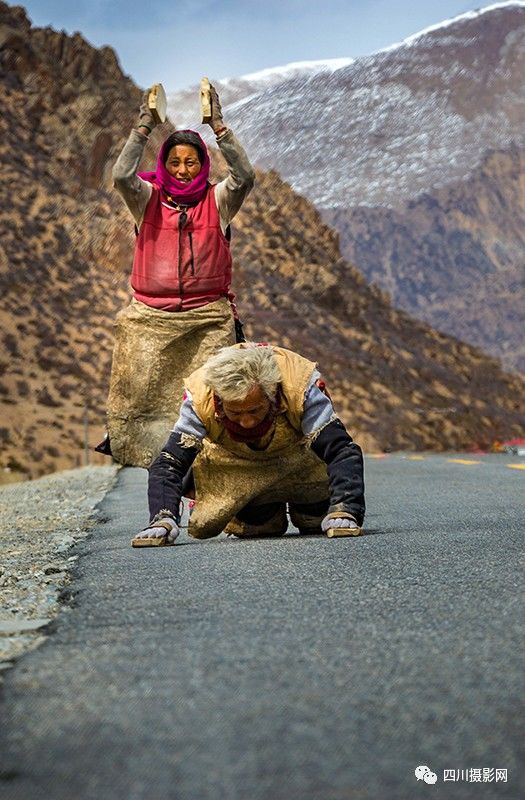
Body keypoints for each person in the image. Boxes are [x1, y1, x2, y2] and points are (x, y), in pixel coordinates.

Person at [104, 83, 255, 467]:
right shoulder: (146, 198)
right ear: (163, 164)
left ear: (203, 164)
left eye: (191, 163)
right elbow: (122, 176)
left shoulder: (218, 201)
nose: (183, 171)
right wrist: (144, 125)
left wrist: (218, 125)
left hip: (207, 318)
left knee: (214, 400)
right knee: (138, 398)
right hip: (151, 319)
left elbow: (245, 177)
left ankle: (217, 469)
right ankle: (162, 473)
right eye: (174, 163)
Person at [131, 342, 365, 546]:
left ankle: (312, 507)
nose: (247, 422)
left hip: (299, 460)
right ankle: (261, 513)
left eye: (255, 409)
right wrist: (163, 518)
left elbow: (340, 449)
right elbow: (170, 462)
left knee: (315, 518)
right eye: (235, 412)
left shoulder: (299, 386)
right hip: (240, 469)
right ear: (220, 401)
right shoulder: (200, 397)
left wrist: (345, 508)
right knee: (257, 526)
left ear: (271, 394)